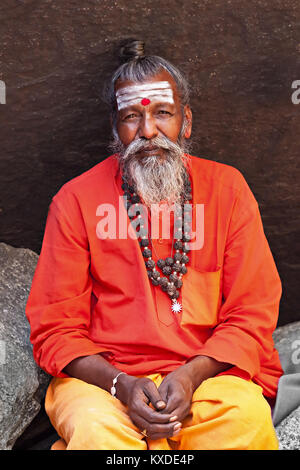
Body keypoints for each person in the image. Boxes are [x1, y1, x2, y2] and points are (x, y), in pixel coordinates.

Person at [26, 39, 283, 450]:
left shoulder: (228, 190)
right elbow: (55, 327)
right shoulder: (75, 200)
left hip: (210, 380)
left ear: (187, 122)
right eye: (132, 116)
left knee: (244, 422)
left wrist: (189, 376)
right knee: (95, 432)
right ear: (115, 128)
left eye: (162, 113)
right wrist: (121, 384)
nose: (148, 131)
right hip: (106, 385)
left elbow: (252, 313)